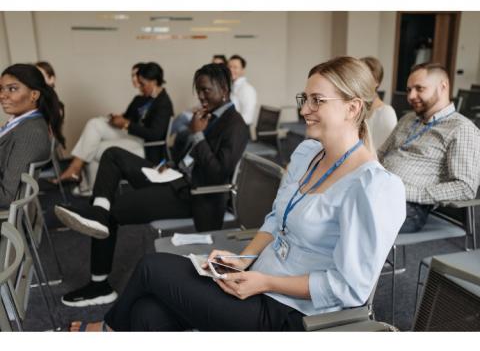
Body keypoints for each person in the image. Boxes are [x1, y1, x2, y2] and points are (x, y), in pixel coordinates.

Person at [68, 56, 406, 331]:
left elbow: (349, 288)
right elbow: (276, 220)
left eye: (318, 100)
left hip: (291, 313)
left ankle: (102, 333)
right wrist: (243, 258)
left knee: (151, 268)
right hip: (257, 279)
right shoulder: (307, 154)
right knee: (147, 315)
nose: (304, 110)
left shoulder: (374, 187)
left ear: (352, 108)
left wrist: (265, 282)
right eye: (305, 99)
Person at [54, 63, 249, 307]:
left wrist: (198, 135)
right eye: (198, 90)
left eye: (206, 90)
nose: (201, 96)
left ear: (224, 89)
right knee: (114, 154)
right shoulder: (208, 116)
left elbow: (218, 174)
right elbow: (184, 156)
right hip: (174, 177)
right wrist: (177, 152)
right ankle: (98, 210)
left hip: (194, 195)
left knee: (114, 213)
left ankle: (99, 285)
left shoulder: (236, 125)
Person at [378, 62, 480, 234]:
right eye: (409, 89)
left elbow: (465, 188)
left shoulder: (461, 129)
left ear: (443, 87)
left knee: (347, 215)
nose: (411, 96)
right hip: (378, 189)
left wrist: (411, 193)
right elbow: (380, 153)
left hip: (409, 205)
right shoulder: (408, 119)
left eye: (419, 88)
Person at [55, 62, 173, 192]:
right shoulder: (141, 98)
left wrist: (126, 124)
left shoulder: (163, 103)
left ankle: (90, 187)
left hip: (146, 145)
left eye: (143, 84)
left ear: (154, 82)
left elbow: (155, 134)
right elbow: (129, 117)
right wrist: (117, 119)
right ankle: (76, 170)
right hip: (132, 135)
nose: (139, 87)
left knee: (95, 147)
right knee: (95, 123)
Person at [0, 63, 64, 208]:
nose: (2, 95)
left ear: (34, 95)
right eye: (1, 89)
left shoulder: (30, 133)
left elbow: (6, 196)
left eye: (12, 89)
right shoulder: (22, 123)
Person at [360, 56, 397, 149]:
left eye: (363, 75)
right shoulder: (354, 107)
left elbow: (385, 151)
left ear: (376, 81)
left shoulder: (386, 113)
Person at [228, 54, 257, 126]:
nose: (231, 70)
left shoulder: (247, 89)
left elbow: (248, 118)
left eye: (235, 67)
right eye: (229, 67)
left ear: (242, 70)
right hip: (233, 128)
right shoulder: (232, 87)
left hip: (240, 130)